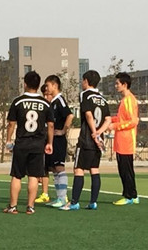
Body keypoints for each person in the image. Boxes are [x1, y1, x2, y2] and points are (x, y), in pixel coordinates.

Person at [4, 71, 54, 215]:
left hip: (22, 143)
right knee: (34, 176)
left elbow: (11, 124)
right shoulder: (45, 103)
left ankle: (13, 206)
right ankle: (30, 207)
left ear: (25, 84)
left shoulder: (18, 101)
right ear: (38, 85)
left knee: (17, 175)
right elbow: (51, 125)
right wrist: (49, 143)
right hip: (38, 144)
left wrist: (8, 140)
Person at [60, 70, 111, 211]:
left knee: (79, 169)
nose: (82, 83)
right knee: (94, 169)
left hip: (86, 139)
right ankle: (93, 202)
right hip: (99, 141)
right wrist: (99, 133)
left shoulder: (85, 95)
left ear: (86, 81)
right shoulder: (102, 98)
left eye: (83, 80)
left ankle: (74, 202)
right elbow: (108, 119)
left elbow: (88, 115)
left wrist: (93, 132)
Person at [41, 75, 73, 208]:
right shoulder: (53, 102)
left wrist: (63, 130)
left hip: (59, 140)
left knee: (59, 167)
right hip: (52, 140)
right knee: (54, 168)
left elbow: (69, 115)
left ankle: (63, 198)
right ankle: (59, 197)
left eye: (47, 85)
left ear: (54, 85)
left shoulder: (60, 100)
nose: (46, 89)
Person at [109, 72, 140, 205]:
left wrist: (114, 126)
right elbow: (122, 118)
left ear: (124, 84)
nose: (116, 86)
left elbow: (133, 121)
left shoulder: (129, 100)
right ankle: (133, 195)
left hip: (126, 141)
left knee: (125, 170)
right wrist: (110, 120)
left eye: (117, 83)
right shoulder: (125, 100)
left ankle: (129, 196)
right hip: (122, 140)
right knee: (126, 169)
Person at [35, 83, 53, 203]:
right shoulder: (42, 106)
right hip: (41, 140)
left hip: (52, 141)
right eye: (44, 95)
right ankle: (44, 193)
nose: (46, 97)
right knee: (42, 167)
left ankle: (62, 196)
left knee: (56, 168)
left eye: (48, 95)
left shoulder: (55, 105)